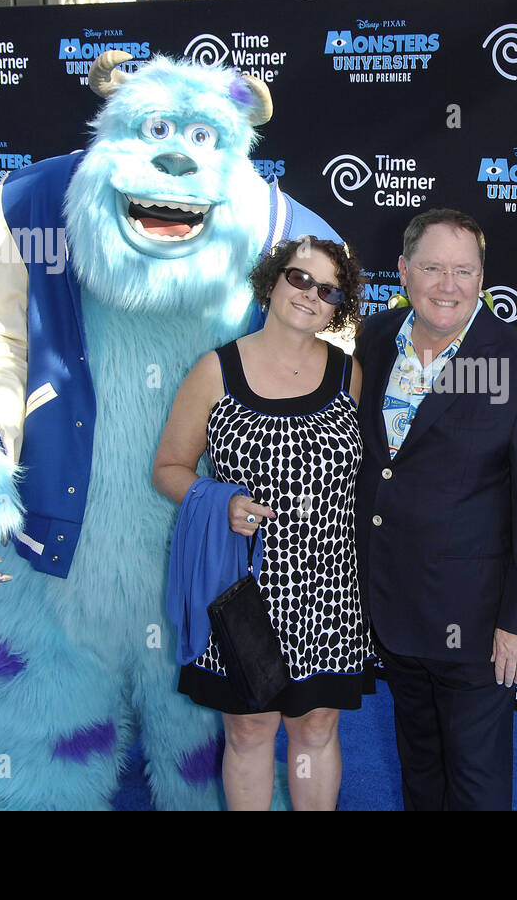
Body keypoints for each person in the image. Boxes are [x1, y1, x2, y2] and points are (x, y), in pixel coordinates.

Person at [354, 208, 517, 810]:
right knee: (419, 761)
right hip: (389, 601)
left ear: (482, 277)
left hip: (476, 621)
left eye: (463, 270)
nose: (447, 285)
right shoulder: (373, 341)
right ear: (403, 271)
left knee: (475, 781)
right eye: (431, 268)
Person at [152, 237, 373, 811]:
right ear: (273, 281)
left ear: (338, 308)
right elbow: (169, 468)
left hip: (329, 591)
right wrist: (216, 500)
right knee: (249, 730)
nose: (310, 296)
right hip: (245, 586)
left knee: (316, 727)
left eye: (328, 291)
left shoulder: (349, 374)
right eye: (300, 279)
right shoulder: (216, 369)